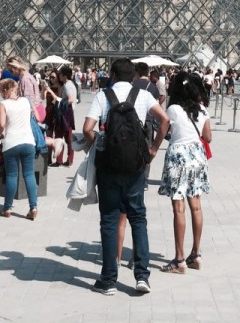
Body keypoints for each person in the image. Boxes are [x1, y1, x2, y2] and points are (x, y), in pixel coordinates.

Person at [82, 57, 168, 296]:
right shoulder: (142, 96)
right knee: (138, 218)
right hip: (136, 167)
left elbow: (87, 128)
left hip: (109, 167)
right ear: (133, 77)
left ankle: (109, 280)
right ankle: (142, 277)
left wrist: (99, 146)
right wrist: (152, 150)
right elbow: (165, 120)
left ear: (112, 74)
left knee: (109, 220)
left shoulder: (103, 96)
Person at [158, 71, 212, 273]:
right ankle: (196, 255)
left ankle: (179, 260)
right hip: (197, 157)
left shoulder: (172, 109)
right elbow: (208, 137)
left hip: (178, 156)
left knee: (178, 209)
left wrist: (154, 148)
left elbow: (163, 131)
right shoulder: (202, 109)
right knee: (196, 207)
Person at [0, 78, 39, 219]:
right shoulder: (26, 101)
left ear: (3, 91)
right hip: (28, 141)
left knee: (12, 176)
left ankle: (7, 208)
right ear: (15, 88)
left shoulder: (3, 104)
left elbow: (2, 124)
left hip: (11, 143)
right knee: (29, 174)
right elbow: (38, 117)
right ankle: (33, 208)